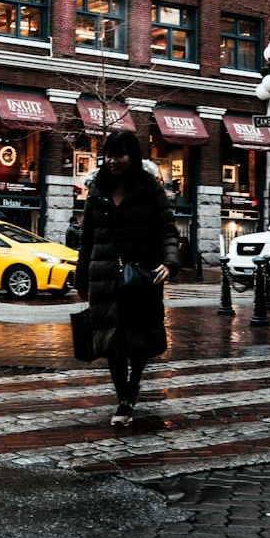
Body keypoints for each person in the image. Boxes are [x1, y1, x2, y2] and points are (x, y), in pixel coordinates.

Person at [75, 129, 180, 427]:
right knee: (111, 343)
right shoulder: (96, 191)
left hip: (141, 277)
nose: (111, 160)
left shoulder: (150, 189)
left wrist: (170, 262)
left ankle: (133, 388)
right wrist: (81, 279)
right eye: (108, 154)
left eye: (118, 154)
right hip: (104, 277)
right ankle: (124, 399)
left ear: (132, 156)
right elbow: (87, 239)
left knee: (139, 339)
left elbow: (167, 230)